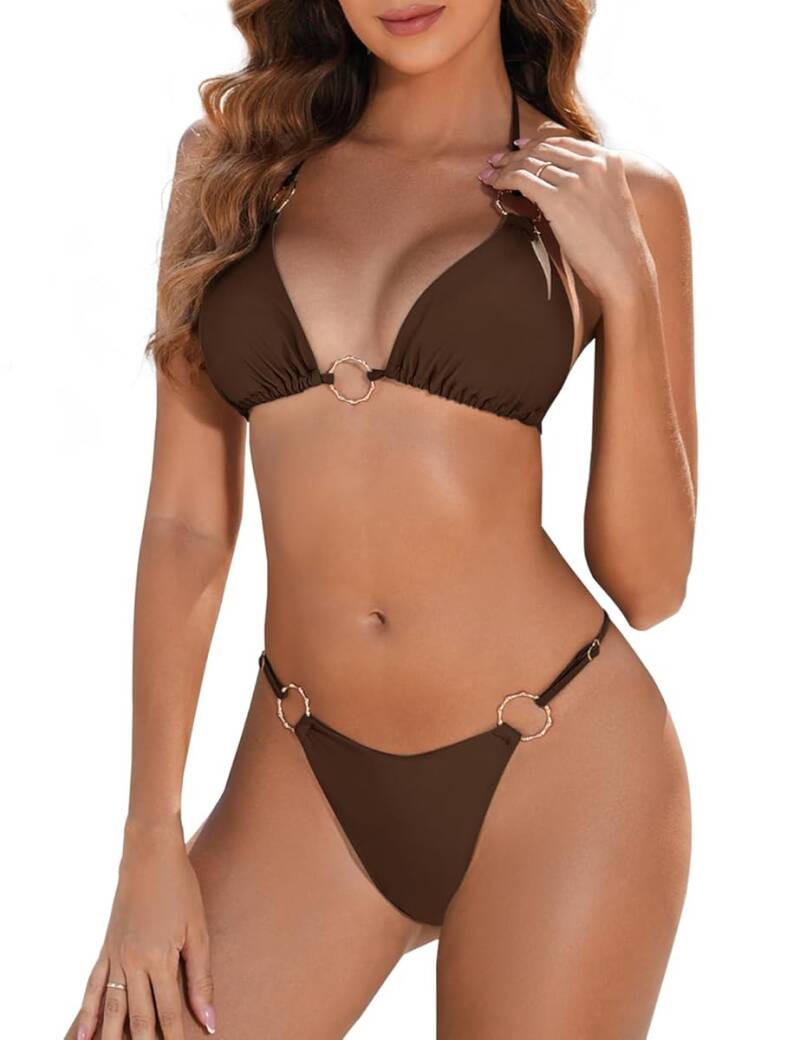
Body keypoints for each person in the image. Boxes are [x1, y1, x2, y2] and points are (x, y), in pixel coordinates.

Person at [66, 1, 696, 1036]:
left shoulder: (619, 196)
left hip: (558, 765)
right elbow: (186, 524)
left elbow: (651, 584)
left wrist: (626, 284)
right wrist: (150, 840)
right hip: (303, 772)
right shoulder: (233, 172)